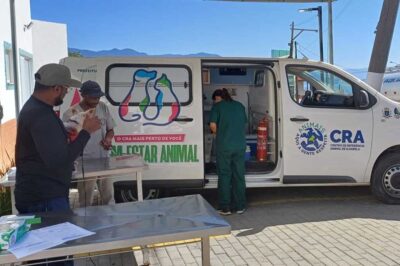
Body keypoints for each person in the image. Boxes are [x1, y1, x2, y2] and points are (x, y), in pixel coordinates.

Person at [15, 63, 101, 266]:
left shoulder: (37, 109)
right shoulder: (40, 115)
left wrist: (65, 133)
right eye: (66, 88)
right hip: (44, 199)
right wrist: (86, 132)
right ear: (56, 88)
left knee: (48, 258)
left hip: (42, 195)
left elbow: (48, 148)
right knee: (56, 259)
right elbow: (58, 160)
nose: (66, 92)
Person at [63, 80, 116, 207]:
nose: (96, 100)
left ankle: (110, 221)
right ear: (84, 95)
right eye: (93, 97)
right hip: (84, 161)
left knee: (108, 196)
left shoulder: (103, 107)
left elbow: (110, 129)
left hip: (103, 158)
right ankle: (86, 223)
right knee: (86, 199)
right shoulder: (71, 113)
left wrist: (108, 139)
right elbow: (66, 140)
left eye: (98, 96)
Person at [209, 88, 247, 215]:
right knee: (239, 175)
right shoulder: (240, 106)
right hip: (240, 145)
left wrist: (217, 134)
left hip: (224, 146)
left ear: (219, 98)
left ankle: (225, 207)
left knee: (225, 175)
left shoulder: (218, 107)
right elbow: (243, 123)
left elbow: (213, 125)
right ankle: (240, 206)